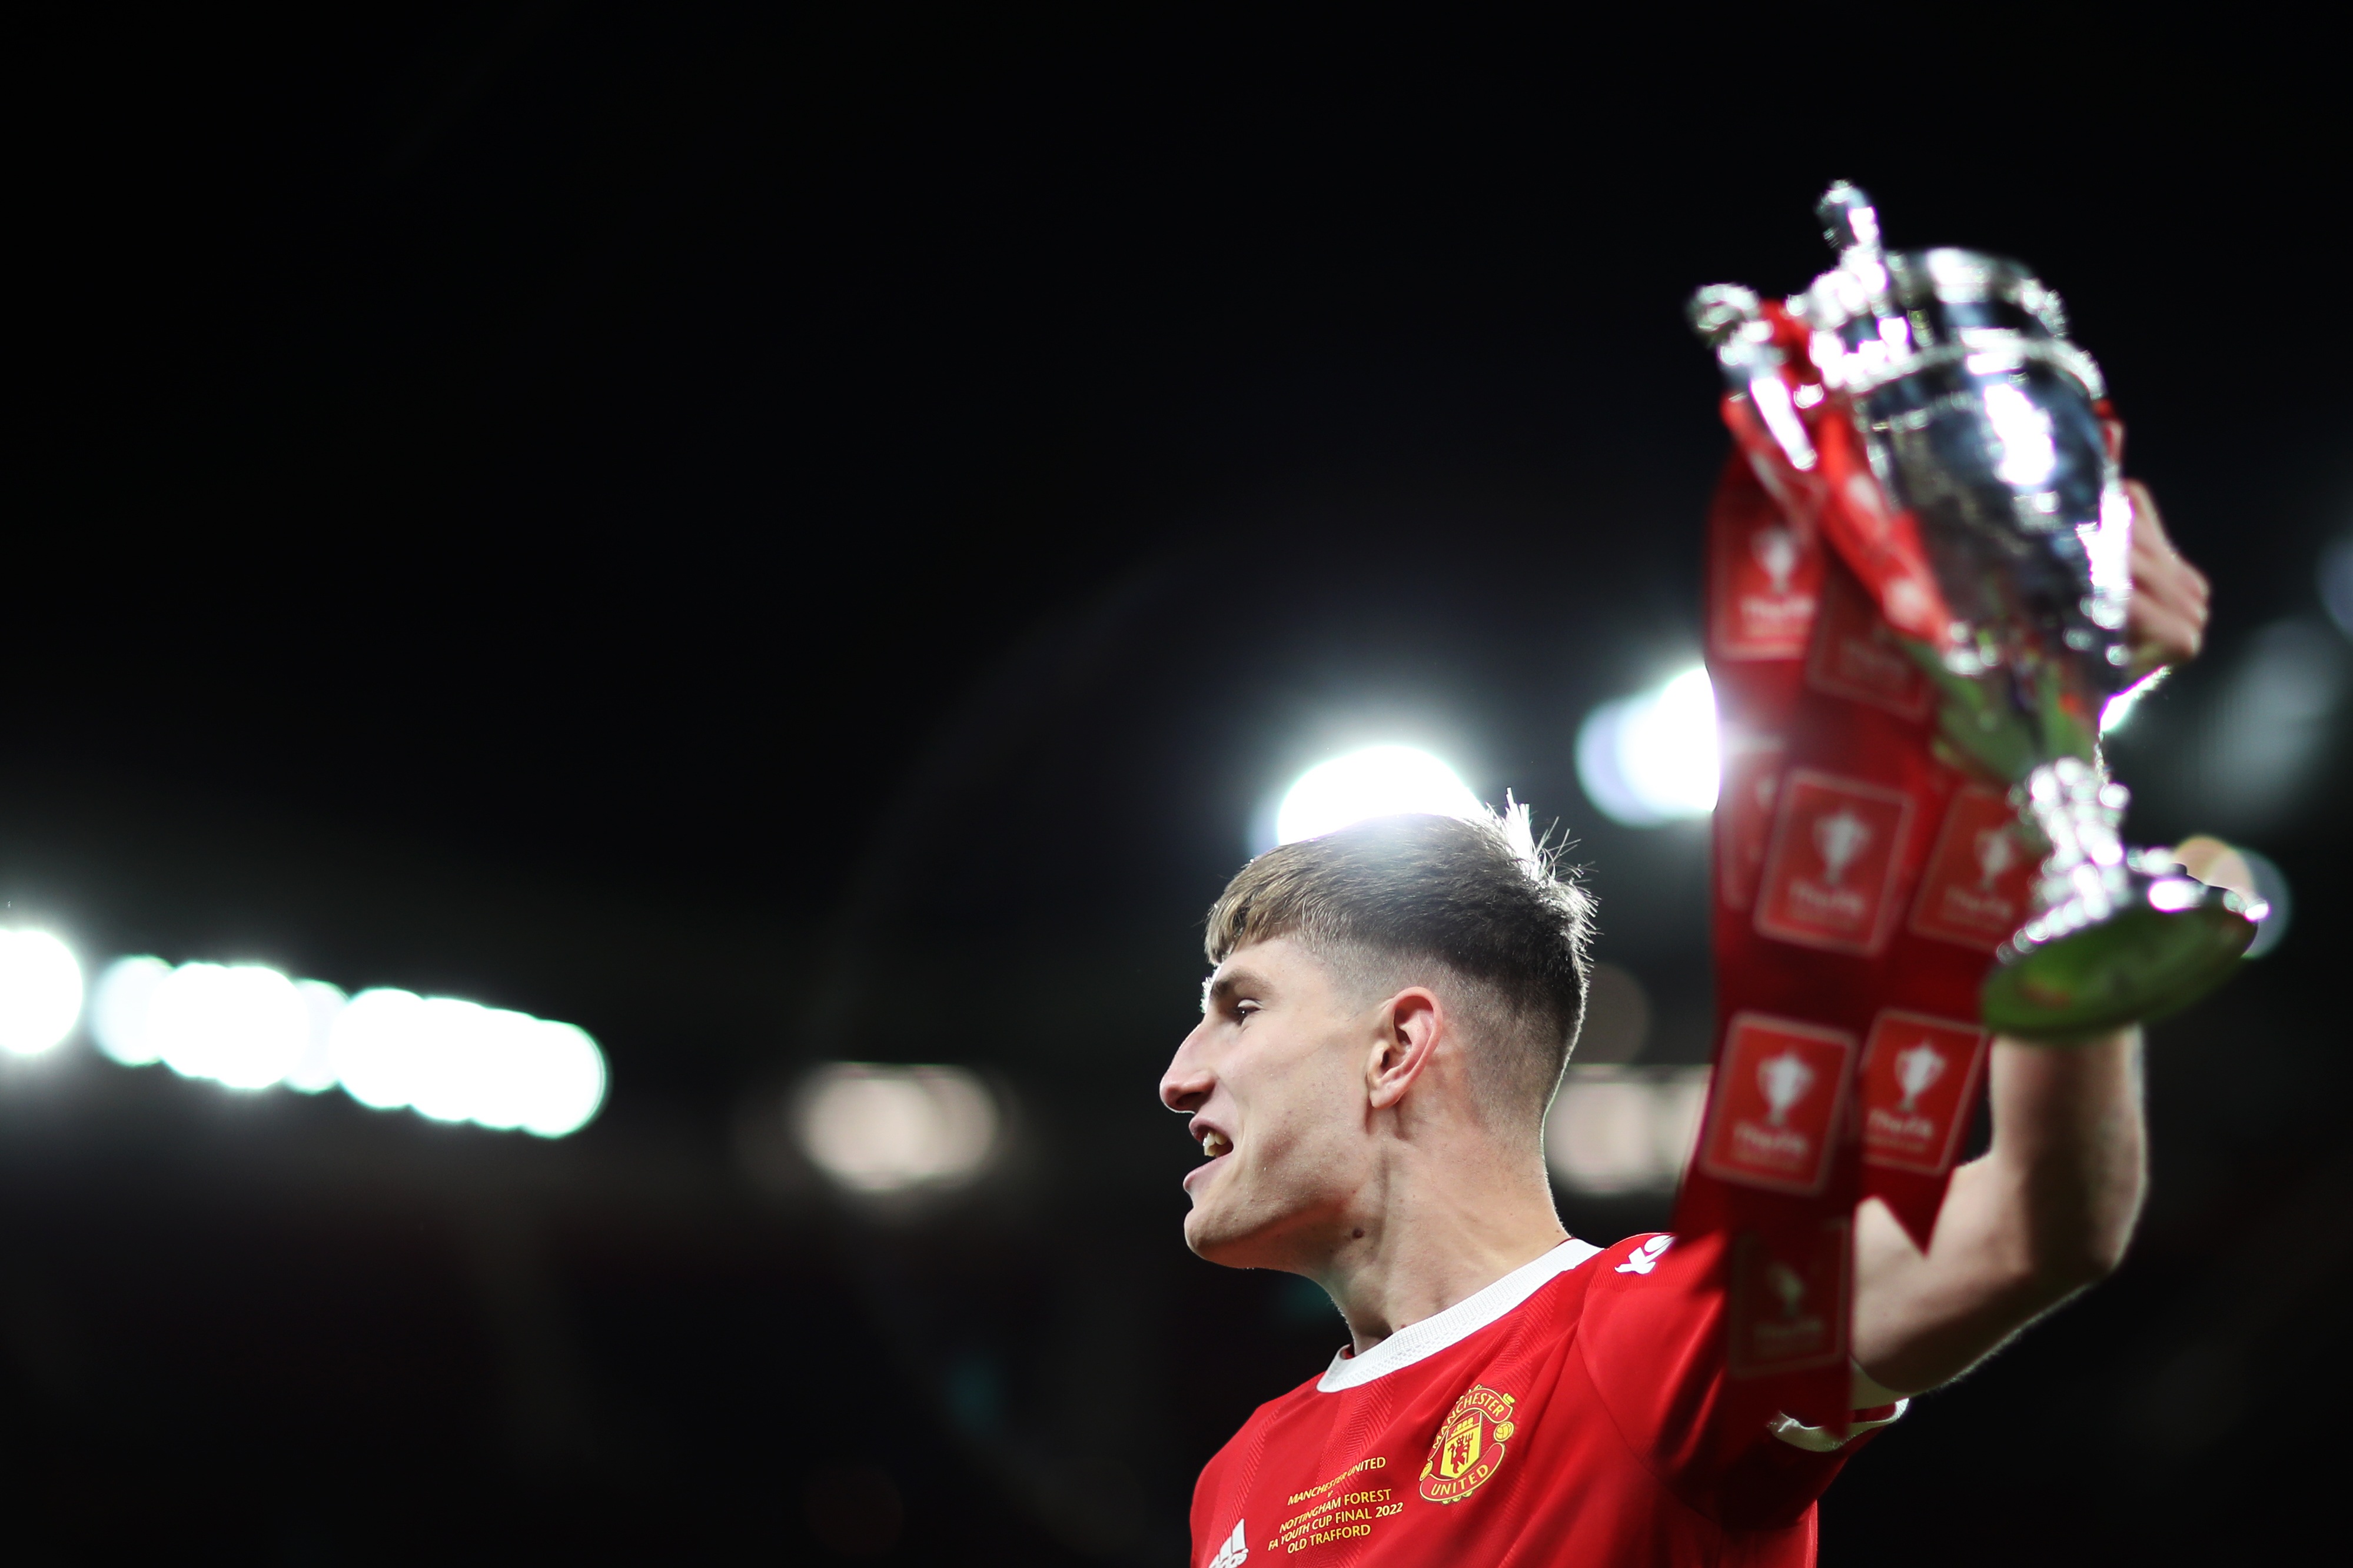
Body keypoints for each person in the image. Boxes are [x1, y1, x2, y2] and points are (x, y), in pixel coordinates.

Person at [1158, 484, 2214, 1566]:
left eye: (1240, 1007)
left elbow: (2031, 1227)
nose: (1178, 1077)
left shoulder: (1647, 1336)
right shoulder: (1236, 1478)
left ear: (1396, 1049)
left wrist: (2047, 743)